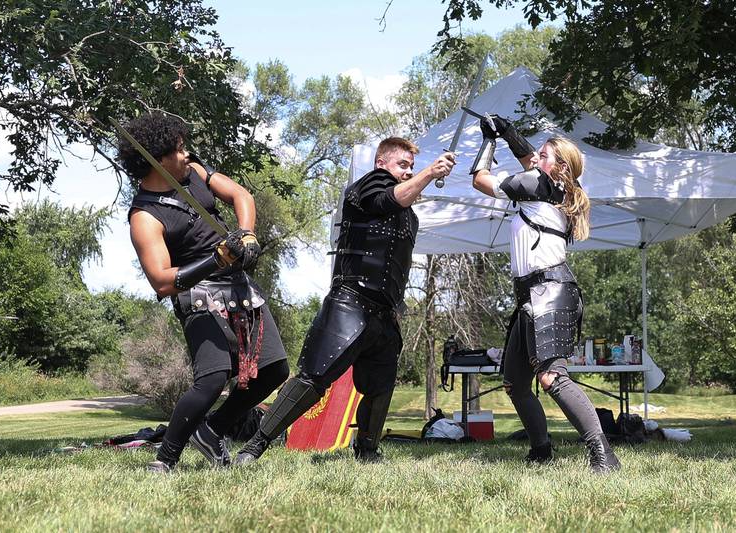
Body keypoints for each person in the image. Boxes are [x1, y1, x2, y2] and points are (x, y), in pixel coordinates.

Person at [234, 137, 455, 464]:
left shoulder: (409, 214)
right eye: (403, 165)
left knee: (380, 388)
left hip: (384, 312)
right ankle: (254, 446)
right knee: (312, 379)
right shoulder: (369, 185)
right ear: (382, 163)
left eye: (411, 166)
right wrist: (428, 172)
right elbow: (386, 201)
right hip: (350, 302)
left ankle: (367, 450)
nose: (409, 172)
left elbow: (399, 208)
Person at [118, 112, 289, 473]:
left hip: (240, 287)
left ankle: (213, 430)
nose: (186, 154)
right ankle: (165, 459)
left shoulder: (193, 171)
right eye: (178, 150)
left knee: (275, 371)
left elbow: (240, 194)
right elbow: (161, 281)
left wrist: (246, 234)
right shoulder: (144, 217)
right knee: (212, 378)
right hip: (197, 295)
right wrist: (216, 259)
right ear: (156, 158)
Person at [469, 116, 621, 473]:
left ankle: (604, 455)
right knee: (515, 383)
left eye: (543, 154)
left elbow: (479, 179)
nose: (535, 158)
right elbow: (529, 160)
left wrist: (490, 141)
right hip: (532, 294)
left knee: (552, 377)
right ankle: (541, 450)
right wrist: (507, 132)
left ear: (560, 166)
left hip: (549, 291)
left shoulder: (540, 183)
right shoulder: (555, 186)